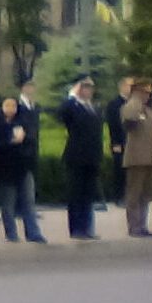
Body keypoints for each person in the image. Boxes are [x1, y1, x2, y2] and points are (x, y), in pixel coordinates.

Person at [0, 97, 45, 243]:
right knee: (8, 204)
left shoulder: (24, 122)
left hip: (23, 168)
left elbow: (31, 142)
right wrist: (11, 141)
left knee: (28, 202)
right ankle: (11, 233)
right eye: (7, 105)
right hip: (5, 170)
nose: (10, 108)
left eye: (13, 105)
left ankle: (33, 232)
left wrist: (23, 139)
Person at [59, 76, 105, 239]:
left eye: (91, 87)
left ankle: (87, 228)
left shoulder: (92, 107)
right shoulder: (72, 106)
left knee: (88, 194)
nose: (89, 90)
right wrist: (72, 96)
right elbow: (63, 114)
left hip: (92, 156)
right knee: (76, 194)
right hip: (76, 156)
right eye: (85, 87)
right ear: (79, 88)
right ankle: (77, 229)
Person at [119, 78, 152, 237]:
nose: (147, 96)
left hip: (149, 158)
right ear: (137, 92)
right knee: (134, 194)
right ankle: (134, 226)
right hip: (136, 158)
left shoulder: (147, 110)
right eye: (144, 92)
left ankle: (142, 225)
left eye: (149, 93)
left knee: (145, 195)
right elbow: (129, 119)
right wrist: (134, 99)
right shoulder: (131, 106)